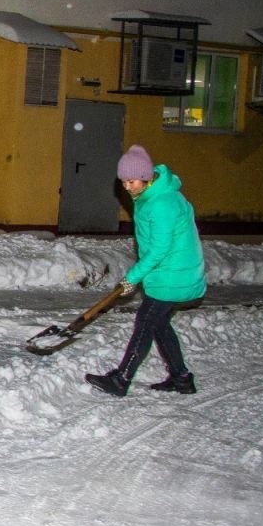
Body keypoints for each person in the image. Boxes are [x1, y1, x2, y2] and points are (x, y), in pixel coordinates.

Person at [86, 145, 205, 397]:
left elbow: (159, 249)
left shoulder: (162, 203)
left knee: (144, 324)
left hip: (172, 274)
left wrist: (132, 278)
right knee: (158, 324)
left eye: (131, 181)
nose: (127, 187)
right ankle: (181, 378)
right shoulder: (152, 195)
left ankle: (122, 378)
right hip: (169, 272)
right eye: (123, 182)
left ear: (147, 177)